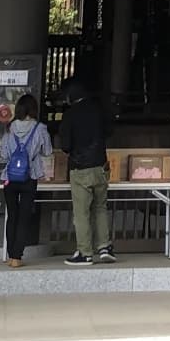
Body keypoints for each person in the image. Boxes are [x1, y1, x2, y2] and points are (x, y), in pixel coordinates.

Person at [56, 79, 114, 266]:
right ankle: (104, 247)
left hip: (80, 168)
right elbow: (109, 131)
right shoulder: (98, 110)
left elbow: (65, 145)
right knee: (100, 207)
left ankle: (85, 252)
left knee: (81, 212)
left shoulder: (70, 115)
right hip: (100, 165)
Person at [0, 95, 52, 269]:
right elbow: (48, 151)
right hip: (30, 176)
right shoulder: (40, 128)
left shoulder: (9, 128)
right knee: (23, 217)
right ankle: (16, 257)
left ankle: (9, 255)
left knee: (12, 216)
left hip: (10, 178)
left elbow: (4, 155)